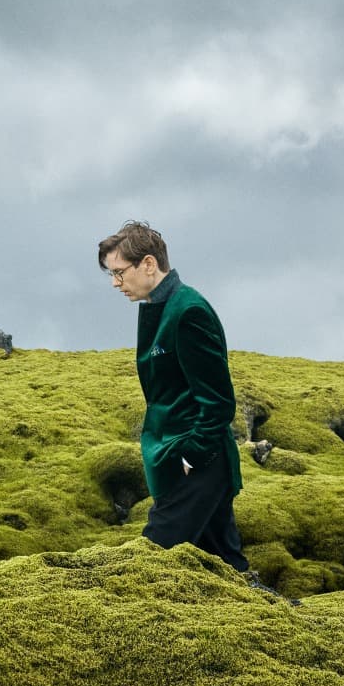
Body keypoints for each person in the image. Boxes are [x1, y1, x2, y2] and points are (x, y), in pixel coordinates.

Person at [97, 220, 249, 572]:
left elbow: (219, 402)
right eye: (111, 275)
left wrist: (189, 457)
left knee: (149, 565)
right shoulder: (158, 308)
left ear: (148, 264)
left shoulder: (188, 312)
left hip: (197, 463)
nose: (116, 283)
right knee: (226, 568)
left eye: (120, 273)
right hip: (176, 459)